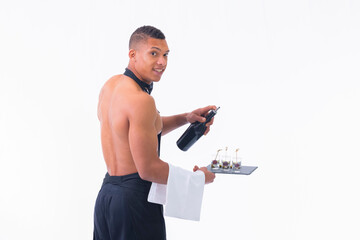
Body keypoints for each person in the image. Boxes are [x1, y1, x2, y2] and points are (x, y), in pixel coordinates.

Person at [93, 25, 216, 240]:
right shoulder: (142, 101)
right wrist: (198, 178)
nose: (162, 62)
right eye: (154, 53)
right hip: (134, 203)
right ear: (133, 55)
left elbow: (138, 128)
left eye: (166, 54)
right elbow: (148, 169)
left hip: (107, 198)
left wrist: (185, 117)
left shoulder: (110, 86)